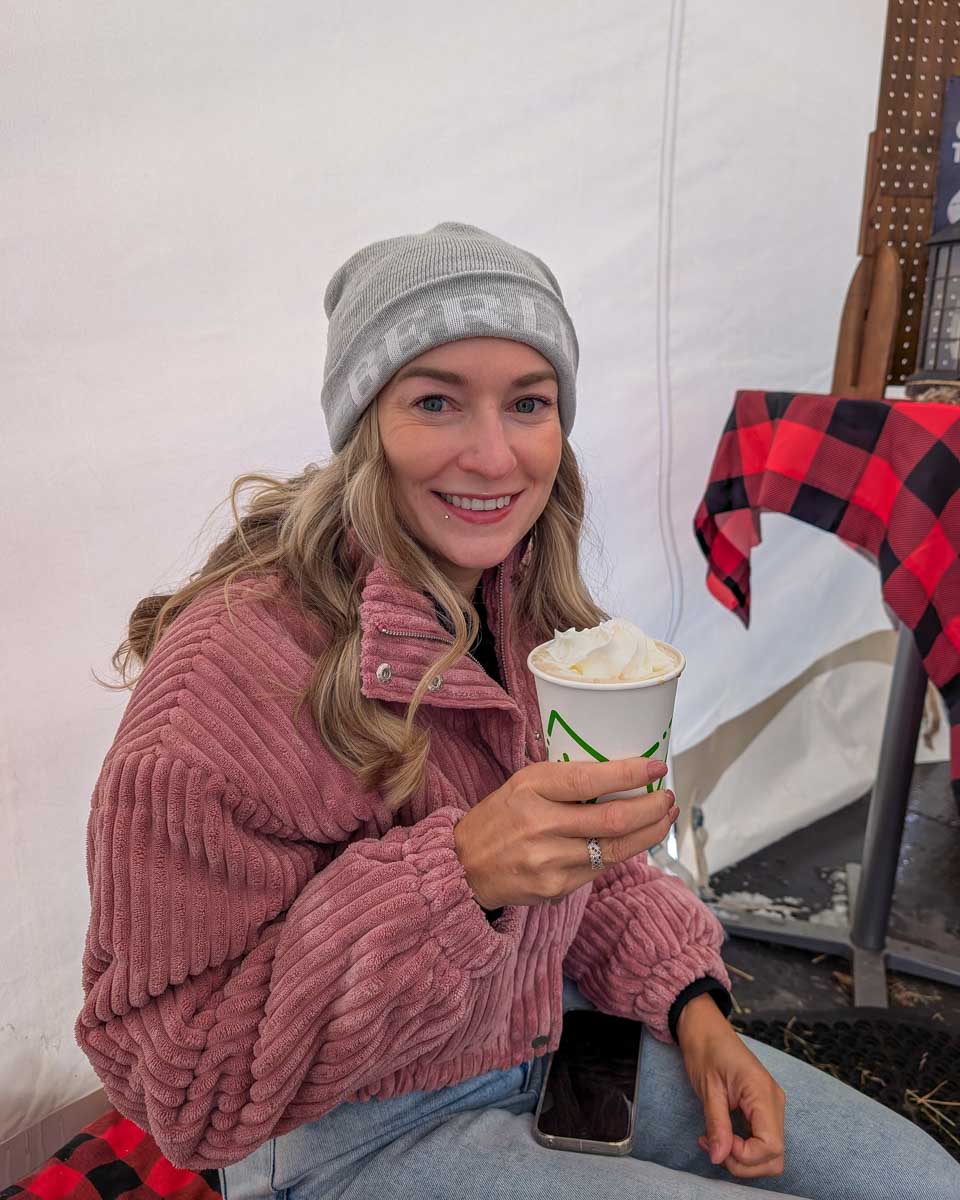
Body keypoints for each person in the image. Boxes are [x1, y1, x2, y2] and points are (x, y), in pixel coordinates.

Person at [76, 222, 959, 1199]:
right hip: (351, 1128)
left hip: (550, 1034)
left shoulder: (521, 598)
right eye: (437, 401)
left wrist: (696, 1010)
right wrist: (459, 877)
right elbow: (187, 1093)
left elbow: (590, 859)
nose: (494, 457)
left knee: (921, 1181)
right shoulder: (220, 692)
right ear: (365, 423)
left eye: (528, 403)